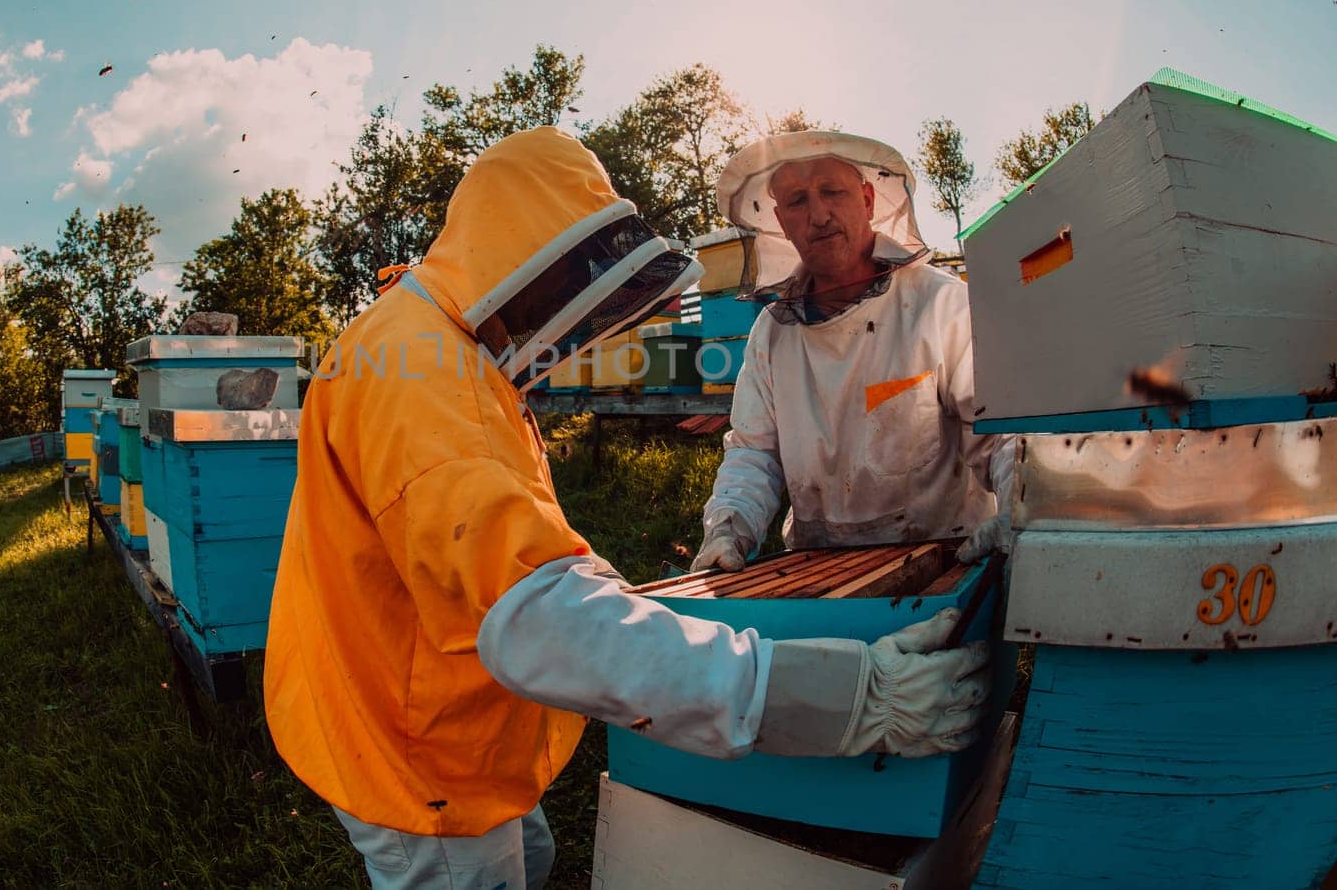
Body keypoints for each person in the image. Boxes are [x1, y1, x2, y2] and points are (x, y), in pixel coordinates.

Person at [266, 127, 991, 889]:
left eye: (832, 193)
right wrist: (836, 692)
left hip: (422, 696)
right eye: (569, 279)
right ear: (517, 253)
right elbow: (544, 615)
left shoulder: (420, 344)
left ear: (870, 199)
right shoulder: (425, 379)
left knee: (534, 857)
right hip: (412, 739)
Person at [692, 131, 1015, 574]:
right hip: (816, 566)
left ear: (867, 200)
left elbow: (999, 432)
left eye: (832, 191)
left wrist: (1019, 509)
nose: (819, 215)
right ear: (782, 222)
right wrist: (728, 527)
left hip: (945, 561)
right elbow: (754, 453)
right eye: (797, 201)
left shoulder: (939, 304)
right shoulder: (771, 334)